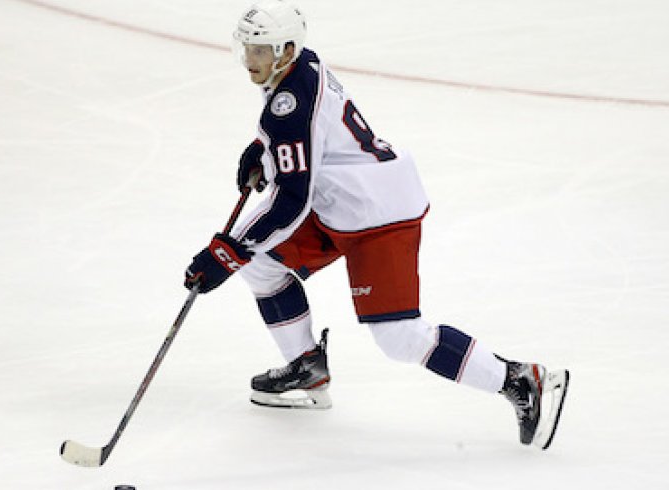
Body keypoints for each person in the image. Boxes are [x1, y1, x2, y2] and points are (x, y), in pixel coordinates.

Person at [183, 0, 569, 450]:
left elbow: (289, 201)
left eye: (261, 50)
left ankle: (521, 380)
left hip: (379, 215)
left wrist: (226, 253)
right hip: (340, 202)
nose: (251, 60)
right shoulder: (301, 66)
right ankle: (306, 367)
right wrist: (264, 147)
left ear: (287, 49)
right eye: (247, 49)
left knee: (400, 338)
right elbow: (314, 135)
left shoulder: (289, 104)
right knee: (262, 265)